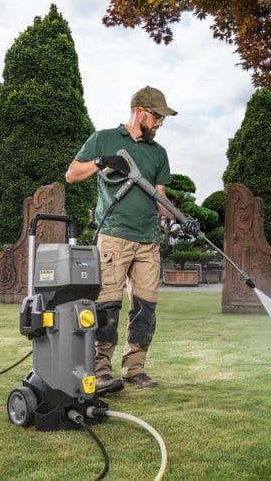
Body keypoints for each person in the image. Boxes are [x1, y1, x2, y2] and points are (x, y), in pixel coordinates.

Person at [65, 86, 179, 391]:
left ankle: (134, 368)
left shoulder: (158, 153)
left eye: (162, 119)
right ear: (139, 111)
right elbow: (72, 174)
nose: (159, 123)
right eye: (157, 116)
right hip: (114, 236)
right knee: (107, 305)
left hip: (148, 240)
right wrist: (101, 161)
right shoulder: (105, 138)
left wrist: (180, 218)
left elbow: (160, 198)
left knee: (146, 306)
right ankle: (101, 369)